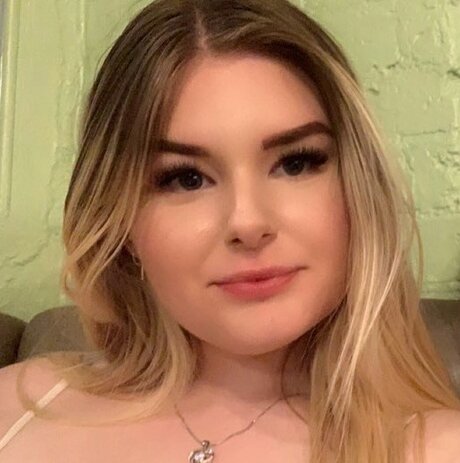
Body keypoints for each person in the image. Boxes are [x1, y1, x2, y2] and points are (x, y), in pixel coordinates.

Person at [0, 0, 459, 461]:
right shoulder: (17, 405)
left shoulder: (436, 447)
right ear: (120, 218)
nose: (248, 223)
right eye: (186, 178)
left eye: (295, 163)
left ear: (359, 188)